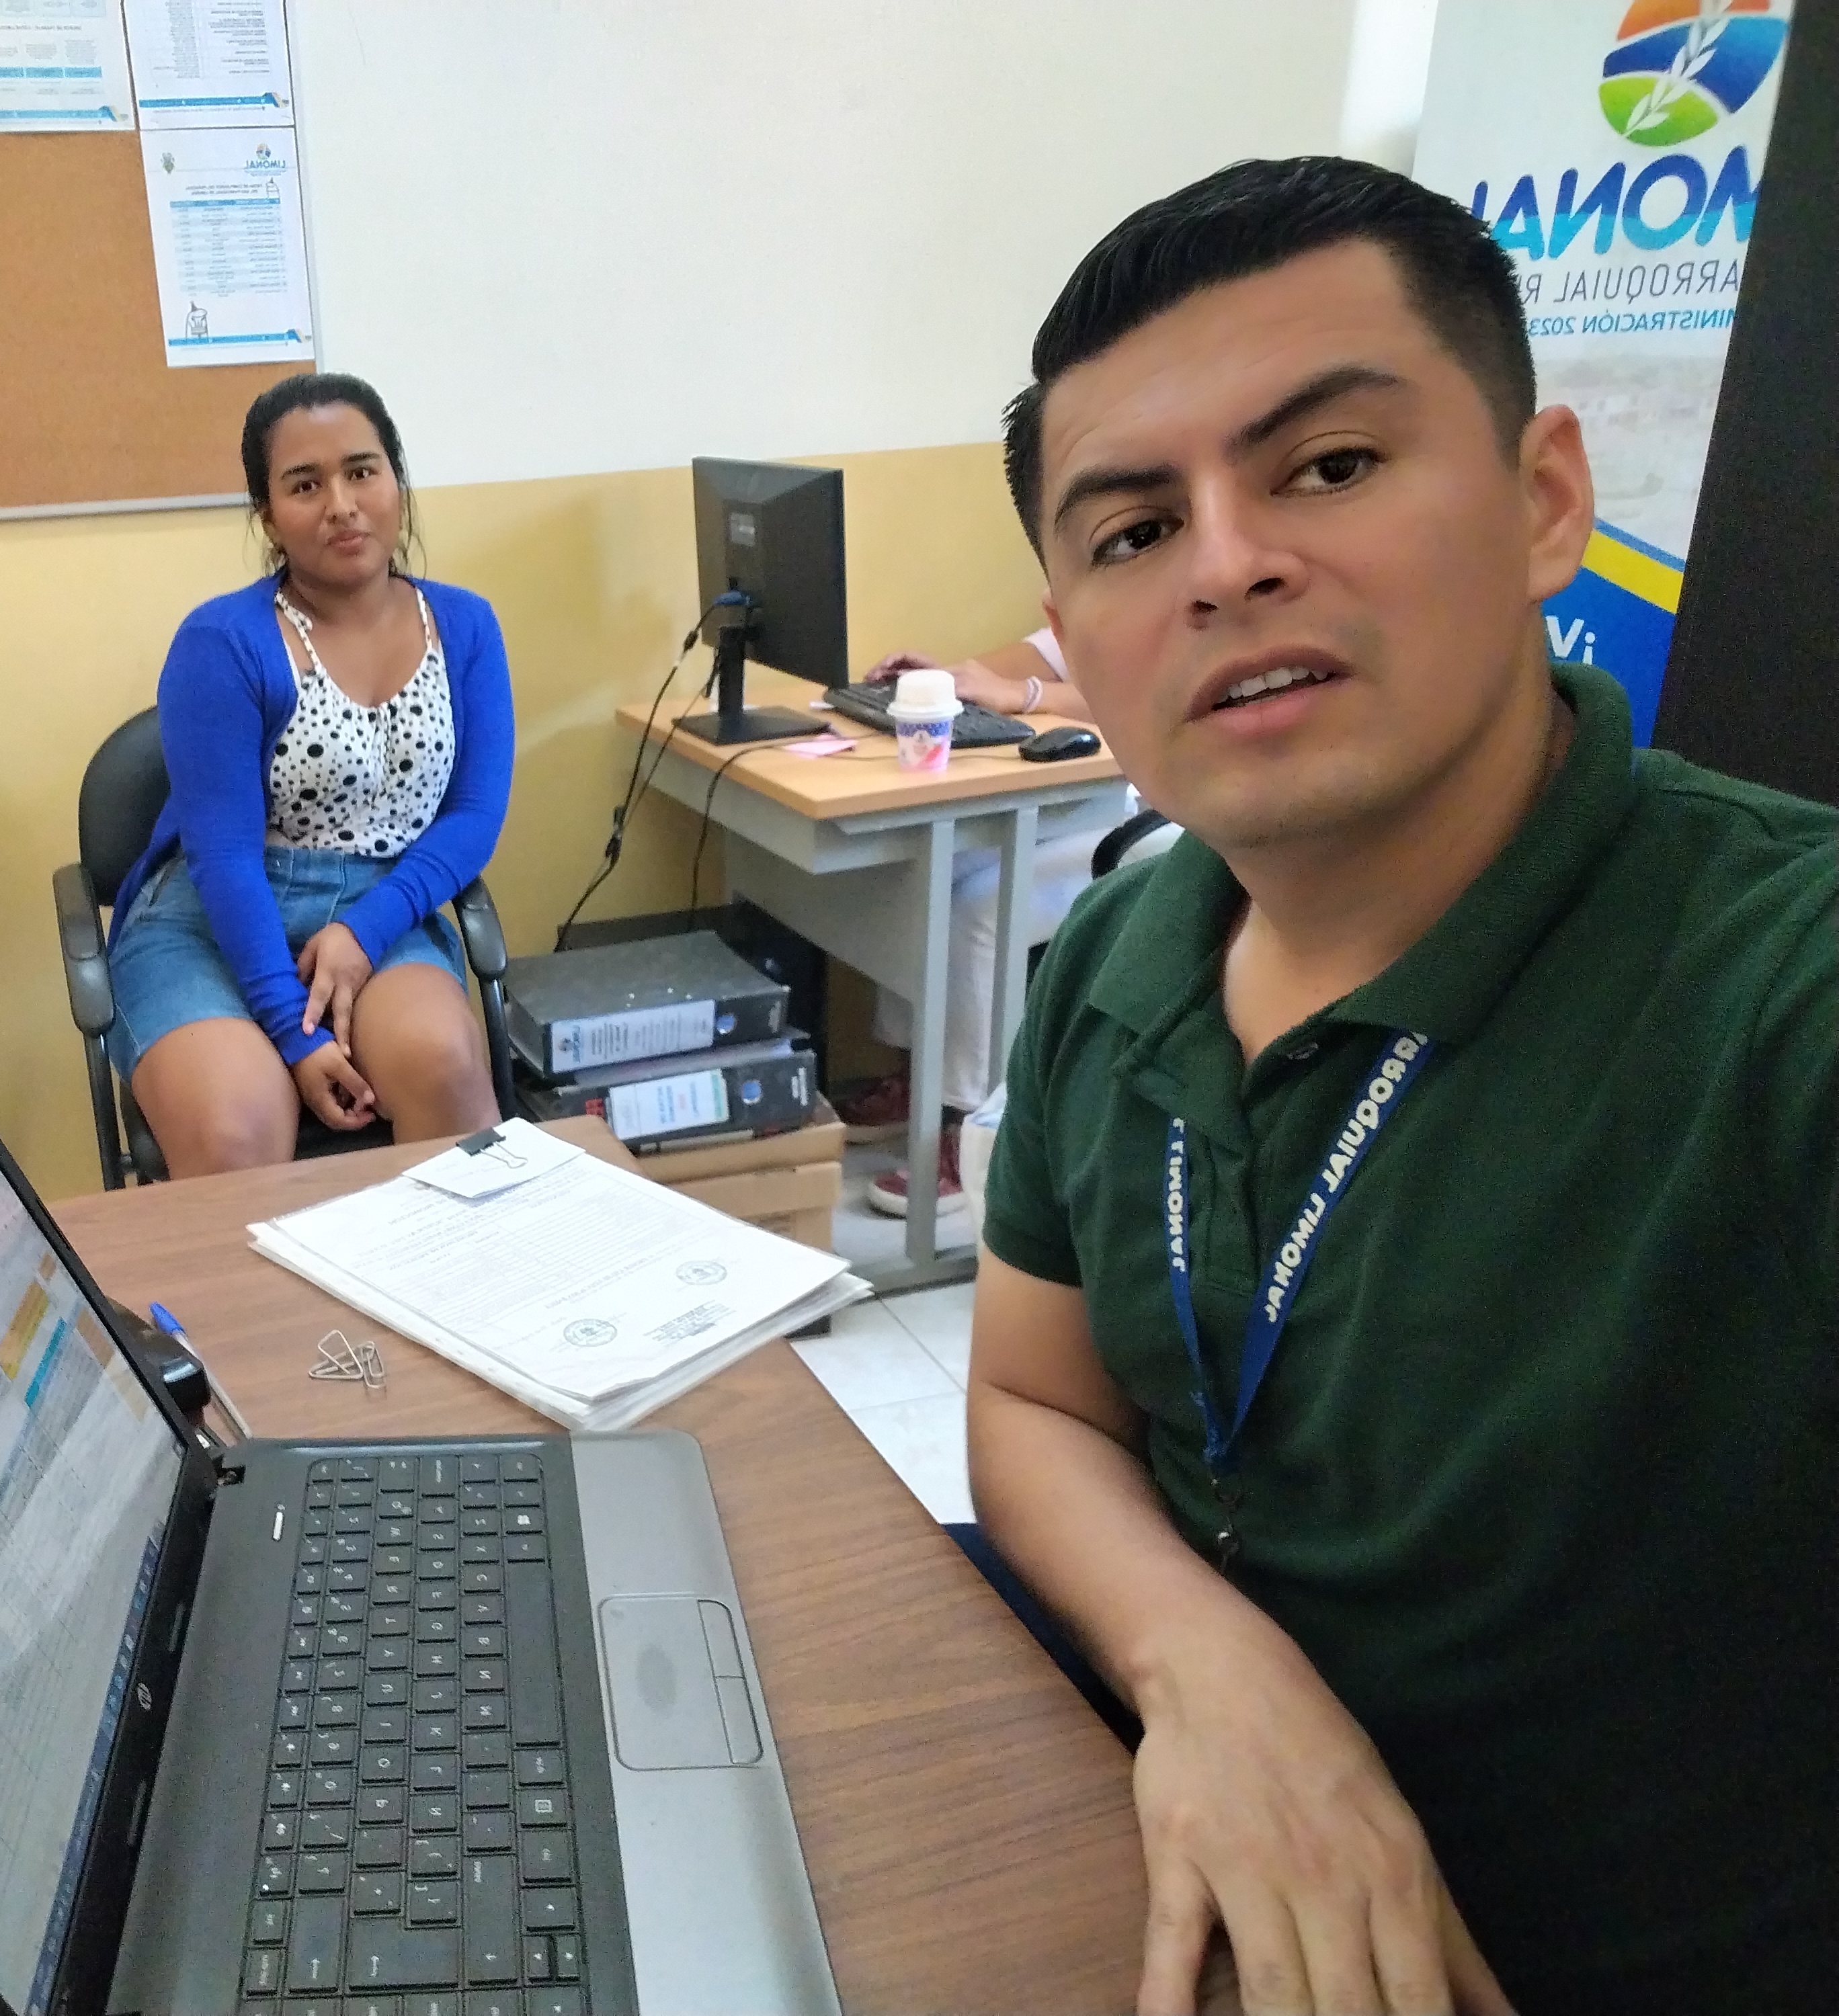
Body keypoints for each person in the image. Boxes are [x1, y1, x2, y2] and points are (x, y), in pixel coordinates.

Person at [969, 157, 1834, 2015]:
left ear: (1544, 502)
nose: (1225, 564)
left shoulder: (1781, 986)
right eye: (1133, 532)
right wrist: (1215, 1667)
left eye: (1330, 465)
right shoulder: (1115, 957)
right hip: (1148, 1867)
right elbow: (1030, 1398)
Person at [104, 372, 512, 1175]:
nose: (341, 505)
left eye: (362, 471)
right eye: (304, 485)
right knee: (236, 1128)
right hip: (211, 922)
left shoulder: (465, 625)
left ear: (396, 481)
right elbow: (223, 859)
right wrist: (294, 1033)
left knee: (445, 1065)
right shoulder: (222, 642)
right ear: (268, 514)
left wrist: (365, 931)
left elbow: (473, 818)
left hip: (381, 908)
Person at [840, 625, 1107, 1215]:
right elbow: (1009, 669)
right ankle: (918, 1078)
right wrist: (939, 684)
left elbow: (1150, 699)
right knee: (922, 872)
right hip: (1071, 798)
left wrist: (1028, 695)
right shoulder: (1087, 599)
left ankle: (971, 1132)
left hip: (1143, 811)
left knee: (976, 908)